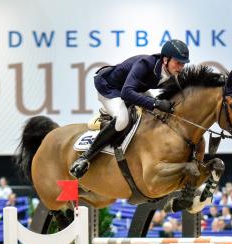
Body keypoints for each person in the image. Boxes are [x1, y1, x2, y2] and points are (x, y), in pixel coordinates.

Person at [70, 39, 190, 178]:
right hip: (110, 88)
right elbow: (126, 92)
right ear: (165, 60)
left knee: (154, 112)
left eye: (183, 63)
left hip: (135, 89)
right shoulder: (145, 64)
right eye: (178, 62)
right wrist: (156, 103)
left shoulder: (172, 72)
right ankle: (85, 157)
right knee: (122, 120)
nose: (181, 67)